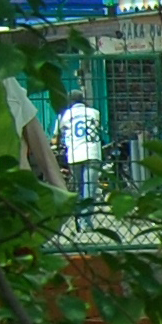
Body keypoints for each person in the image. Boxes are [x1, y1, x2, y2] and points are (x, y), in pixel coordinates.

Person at [53, 89, 104, 228]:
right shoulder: (94, 112)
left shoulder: (65, 115)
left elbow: (56, 135)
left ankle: (79, 218)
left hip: (75, 154)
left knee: (78, 188)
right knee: (90, 188)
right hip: (92, 152)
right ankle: (85, 222)